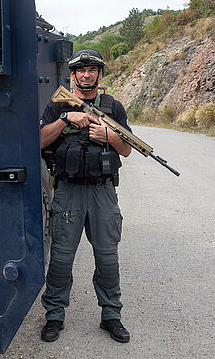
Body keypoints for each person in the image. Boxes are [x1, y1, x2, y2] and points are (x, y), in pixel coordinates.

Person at [39, 49, 131, 343]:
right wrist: (66, 118)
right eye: (82, 70)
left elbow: (127, 148)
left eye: (93, 70)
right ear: (73, 75)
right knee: (62, 258)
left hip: (103, 191)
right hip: (68, 191)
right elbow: (39, 140)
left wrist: (108, 136)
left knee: (107, 257)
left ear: (100, 75)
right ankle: (54, 315)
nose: (87, 75)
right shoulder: (58, 105)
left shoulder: (113, 107)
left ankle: (111, 315)